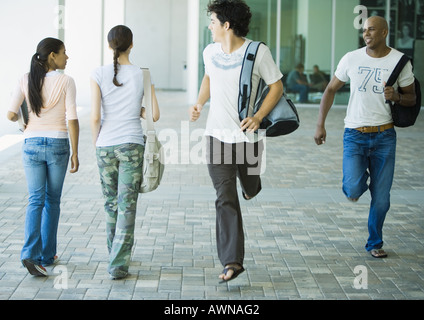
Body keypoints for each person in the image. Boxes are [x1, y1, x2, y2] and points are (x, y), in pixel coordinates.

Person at [189, 0, 283, 283]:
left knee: (250, 184)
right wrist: (199, 103)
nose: (210, 26)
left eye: (213, 22)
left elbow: (277, 86)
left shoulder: (257, 52)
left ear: (226, 25)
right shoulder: (210, 51)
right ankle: (232, 261)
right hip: (216, 137)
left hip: (247, 136)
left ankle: (252, 185)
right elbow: (208, 76)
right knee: (224, 196)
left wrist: (258, 116)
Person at [314, 16, 416, 258]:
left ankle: (375, 243)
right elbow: (330, 89)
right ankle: (362, 180)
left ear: (384, 32)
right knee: (352, 187)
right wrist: (320, 125)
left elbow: (411, 98)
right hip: (354, 135)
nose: (366, 33)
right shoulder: (352, 58)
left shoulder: (400, 62)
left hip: (384, 136)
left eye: (371, 29)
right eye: (364, 30)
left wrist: (397, 97)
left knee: (381, 199)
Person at [90, 25, 160, 280]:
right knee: (127, 205)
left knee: (110, 203)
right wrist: (137, 111)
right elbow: (154, 115)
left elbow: (95, 116)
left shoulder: (98, 73)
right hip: (132, 144)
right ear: (132, 45)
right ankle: (118, 263)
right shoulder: (144, 74)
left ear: (110, 46)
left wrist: (95, 144)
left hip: (105, 145)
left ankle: (114, 254)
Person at [7, 38, 80, 276]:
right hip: (58, 143)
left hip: (31, 143)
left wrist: (27, 117)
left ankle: (30, 254)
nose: (66, 57)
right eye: (63, 53)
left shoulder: (25, 79)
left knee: (35, 200)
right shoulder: (66, 81)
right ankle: (47, 255)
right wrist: (76, 152)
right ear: (51, 56)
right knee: (52, 201)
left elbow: (10, 114)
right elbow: (72, 119)